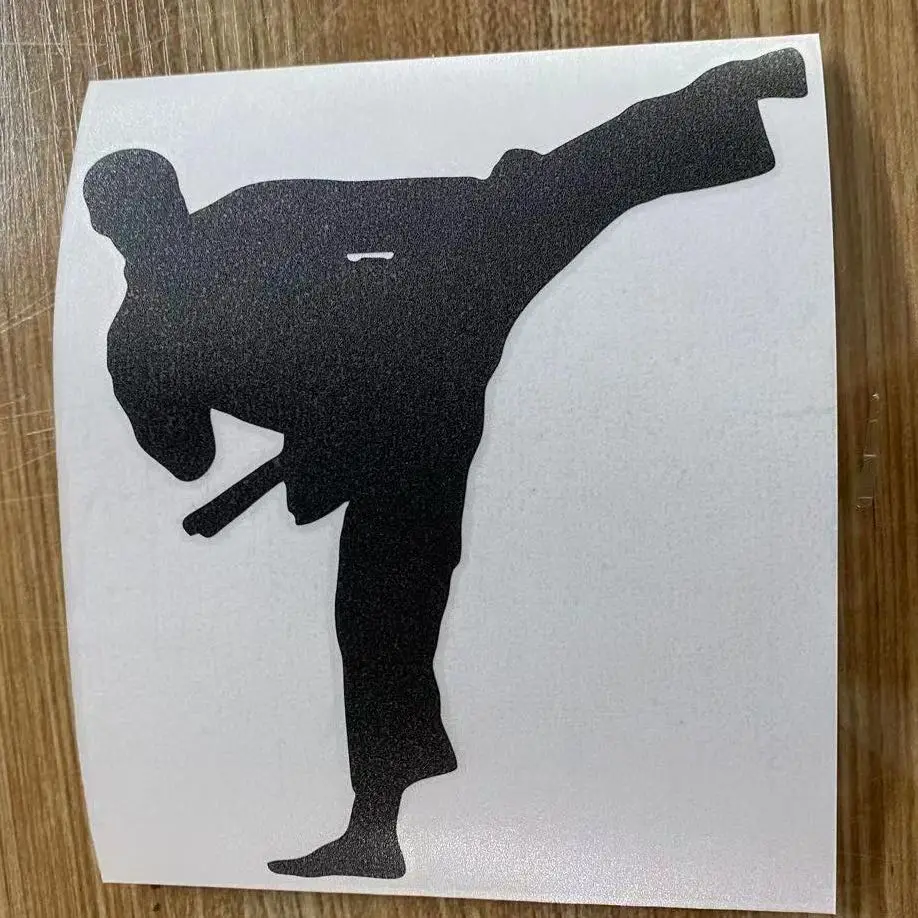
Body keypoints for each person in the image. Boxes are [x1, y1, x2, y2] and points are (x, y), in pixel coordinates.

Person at [83, 47, 808, 878]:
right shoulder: (177, 297)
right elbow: (191, 455)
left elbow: (188, 458)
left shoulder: (148, 329)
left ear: (108, 227)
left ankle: (729, 94)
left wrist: (485, 215)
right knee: (379, 617)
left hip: (429, 331)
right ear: (162, 202)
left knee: (381, 613)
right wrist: (493, 207)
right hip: (408, 404)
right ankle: (376, 832)